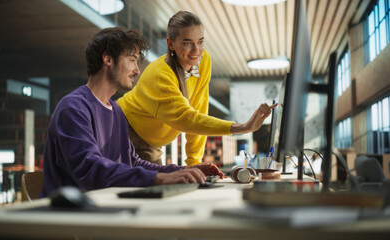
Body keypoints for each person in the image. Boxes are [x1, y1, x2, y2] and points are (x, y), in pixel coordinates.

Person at [40, 27, 224, 197]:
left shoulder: (117, 112)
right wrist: (157, 179)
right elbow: (89, 168)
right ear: (108, 59)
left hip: (104, 210)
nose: (137, 70)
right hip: (69, 217)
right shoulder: (73, 107)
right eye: (132, 60)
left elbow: (134, 162)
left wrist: (179, 171)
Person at [117, 11, 277, 165]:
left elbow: (199, 110)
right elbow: (187, 119)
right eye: (187, 43)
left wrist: (194, 162)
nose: (196, 50)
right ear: (170, 43)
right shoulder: (160, 75)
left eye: (200, 41)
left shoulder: (203, 60)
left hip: (151, 141)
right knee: (147, 187)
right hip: (124, 129)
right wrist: (242, 127)